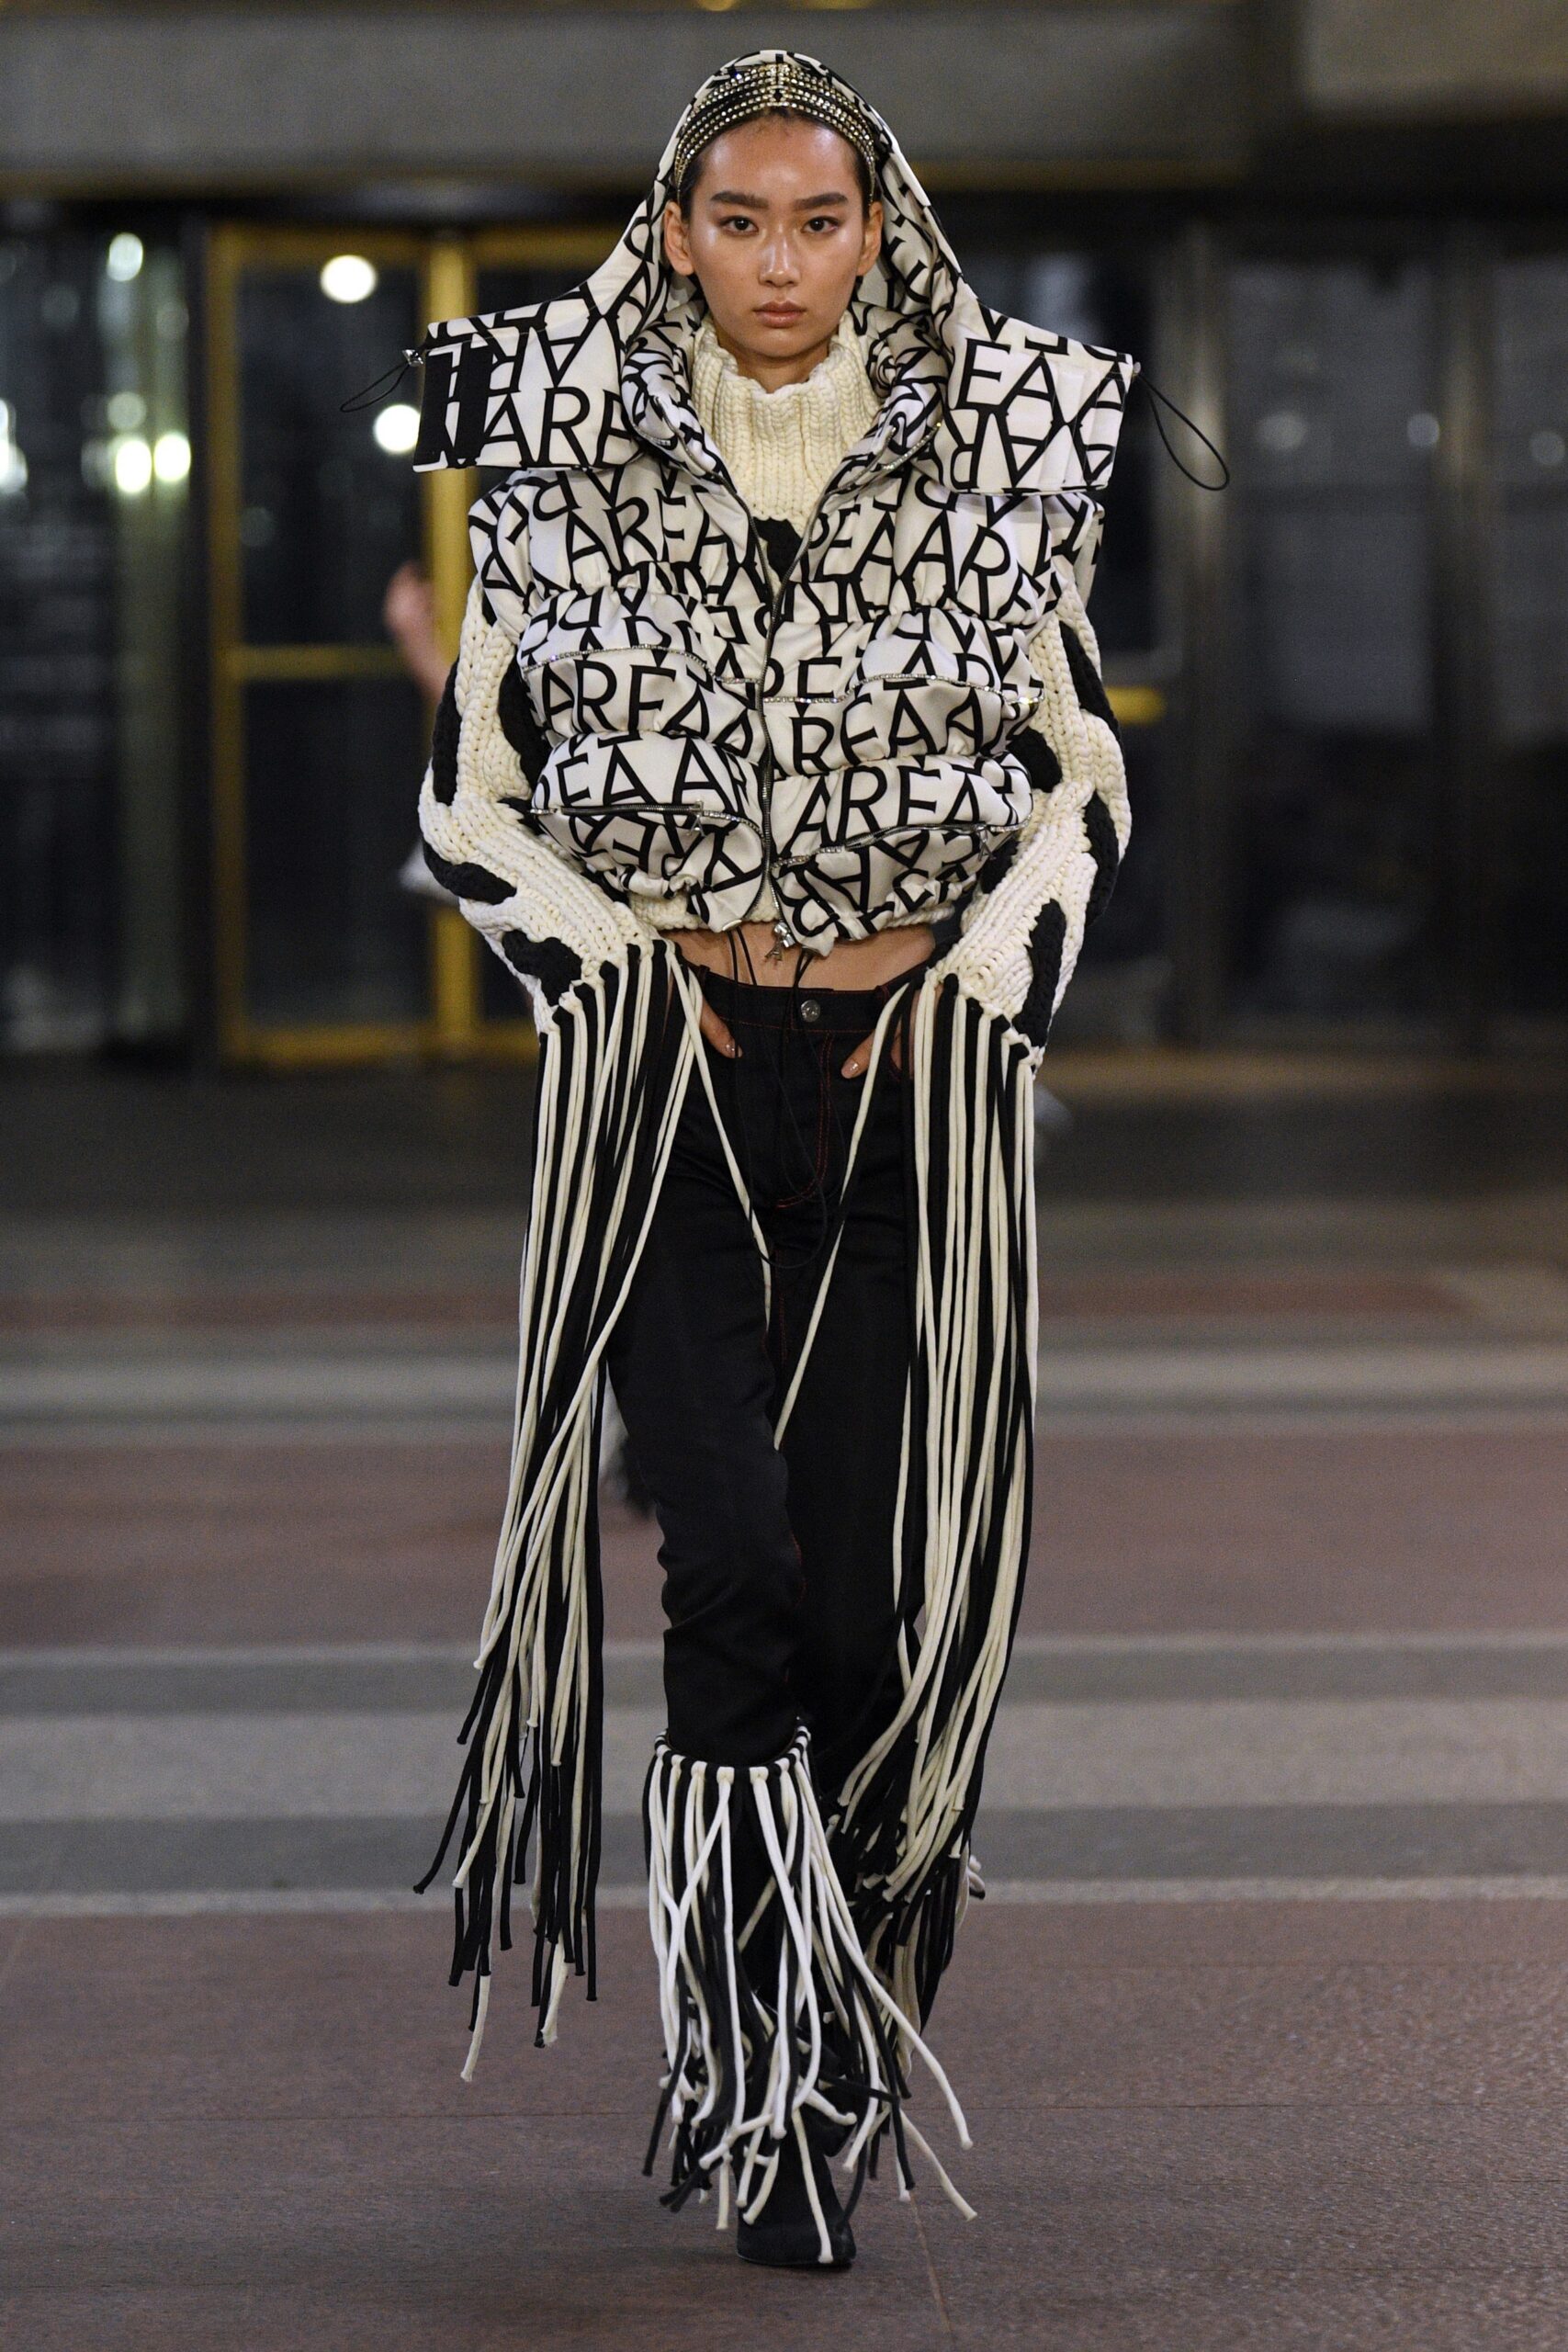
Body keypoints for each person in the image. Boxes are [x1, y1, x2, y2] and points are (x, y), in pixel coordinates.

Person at [412, 48, 1134, 2271]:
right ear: (675, 225)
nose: (781, 263)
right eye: (739, 220)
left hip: (907, 1078)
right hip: (661, 1087)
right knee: (721, 1561)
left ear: (879, 229)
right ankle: (747, 2061)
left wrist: (985, 981)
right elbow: (465, 805)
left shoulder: (1009, 447)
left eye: (820, 222)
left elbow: (1080, 776)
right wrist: (614, 964)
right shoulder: (544, 446)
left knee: (867, 1591)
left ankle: (827, 2058)